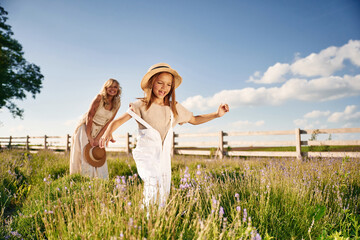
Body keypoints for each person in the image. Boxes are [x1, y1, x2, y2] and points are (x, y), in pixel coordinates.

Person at [99, 63, 229, 206]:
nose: (164, 88)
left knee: (163, 188)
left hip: (163, 156)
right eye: (160, 83)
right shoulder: (140, 105)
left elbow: (194, 120)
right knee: (152, 182)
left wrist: (217, 114)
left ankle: (157, 218)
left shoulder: (174, 108)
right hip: (146, 153)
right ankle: (148, 216)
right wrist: (108, 131)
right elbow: (119, 120)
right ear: (151, 83)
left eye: (168, 85)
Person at [70, 78, 121, 179]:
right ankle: (84, 179)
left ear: (118, 90)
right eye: (110, 86)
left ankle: (101, 181)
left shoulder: (117, 103)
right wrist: (89, 136)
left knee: (98, 153)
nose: (112, 89)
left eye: (115, 87)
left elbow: (109, 123)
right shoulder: (99, 98)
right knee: (85, 153)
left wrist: (98, 138)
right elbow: (90, 116)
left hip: (101, 129)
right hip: (86, 126)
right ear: (106, 88)